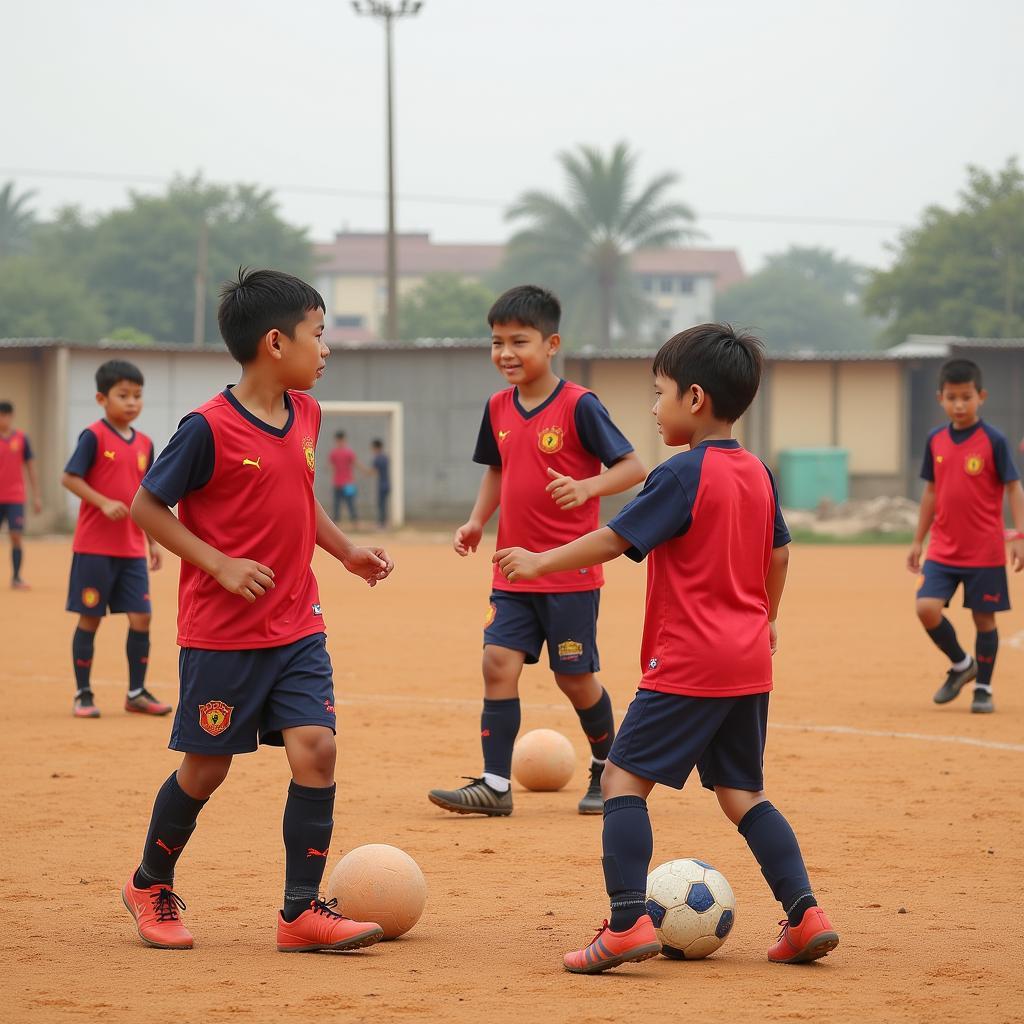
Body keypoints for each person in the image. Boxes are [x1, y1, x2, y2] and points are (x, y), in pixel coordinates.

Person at [495, 324, 839, 973]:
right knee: (742, 792)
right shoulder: (758, 473)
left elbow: (613, 539)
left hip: (688, 660)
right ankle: (805, 915)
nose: (653, 408)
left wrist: (540, 563)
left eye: (660, 393)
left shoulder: (681, 475)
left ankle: (626, 924)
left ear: (697, 398)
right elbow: (780, 553)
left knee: (623, 780)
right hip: (746, 658)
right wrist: (767, 619)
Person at [122, 268, 394, 954]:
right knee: (206, 767)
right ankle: (149, 881)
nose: (326, 348)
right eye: (319, 334)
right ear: (276, 342)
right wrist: (217, 562)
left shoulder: (306, 413)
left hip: (297, 624)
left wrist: (343, 551)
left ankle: (300, 912)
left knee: (317, 748)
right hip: (222, 634)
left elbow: (301, 499)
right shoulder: (206, 428)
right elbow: (147, 507)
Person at [428, 284, 646, 818]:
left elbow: (633, 467)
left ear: (551, 344)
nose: (505, 353)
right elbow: (499, 469)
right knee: (496, 663)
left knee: (574, 678)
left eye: (518, 341)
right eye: (497, 341)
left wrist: (588, 488)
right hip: (512, 572)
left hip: (570, 577)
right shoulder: (497, 406)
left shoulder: (579, 405)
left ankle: (606, 768)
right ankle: (495, 785)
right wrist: (478, 520)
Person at [907, 359, 1024, 714]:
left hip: (985, 550)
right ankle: (961, 665)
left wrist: (1018, 534)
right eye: (952, 397)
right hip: (943, 548)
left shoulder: (994, 441)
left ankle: (983, 689)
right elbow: (930, 492)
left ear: (981, 396)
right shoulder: (936, 440)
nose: (959, 404)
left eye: (967, 397)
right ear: (940, 398)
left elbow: (1013, 488)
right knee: (926, 608)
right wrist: (918, 539)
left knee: (984, 620)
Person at [61, 361, 170, 719]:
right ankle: (83, 693)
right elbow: (70, 478)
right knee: (90, 618)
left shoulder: (145, 444)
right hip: (94, 548)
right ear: (101, 398)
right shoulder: (93, 436)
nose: (131, 402)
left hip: (131, 549)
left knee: (142, 618)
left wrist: (153, 542)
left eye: (137, 396)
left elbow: (148, 498)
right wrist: (104, 502)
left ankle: (136, 692)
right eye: (122, 395)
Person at [0, 400, 42, 589]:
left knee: (16, 536)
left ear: (11, 416)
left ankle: (16, 578)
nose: (4, 419)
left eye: (6, 415)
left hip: (15, 496)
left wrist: (37, 496)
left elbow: (31, 468)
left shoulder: (22, 438)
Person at [330, 431, 361, 526]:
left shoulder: (346, 452)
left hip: (348, 483)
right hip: (339, 483)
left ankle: (354, 521)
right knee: (337, 504)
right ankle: (337, 522)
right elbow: (332, 467)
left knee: (350, 503)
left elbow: (354, 463)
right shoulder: (335, 453)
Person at [369, 438, 391, 529]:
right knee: (384, 504)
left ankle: (382, 523)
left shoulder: (377, 459)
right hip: (387, 484)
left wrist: (364, 471)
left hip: (382, 485)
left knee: (381, 504)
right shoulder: (385, 458)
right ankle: (384, 522)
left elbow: (373, 471)